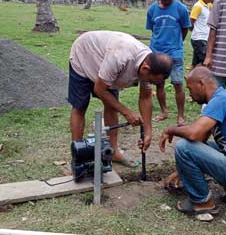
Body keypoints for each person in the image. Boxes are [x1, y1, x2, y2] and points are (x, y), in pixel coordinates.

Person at [159, 66, 226, 215]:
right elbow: (200, 140)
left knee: (183, 146)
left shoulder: (220, 100)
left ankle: (202, 202)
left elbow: (193, 134)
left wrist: (169, 130)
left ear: (201, 84)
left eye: (190, 89)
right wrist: (180, 172)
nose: (190, 95)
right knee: (194, 146)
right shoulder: (221, 99)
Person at [69, 30, 173, 167]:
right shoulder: (121, 56)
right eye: (151, 81)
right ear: (145, 69)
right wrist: (127, 112)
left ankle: (113, 152)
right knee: (80, 106)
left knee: (111, 107)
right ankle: (78, 156)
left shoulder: (149, 65)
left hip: (107, 67)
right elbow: (99, 89)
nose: (151, 84)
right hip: (84, 55)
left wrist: (148, 132)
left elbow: (146, 97)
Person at [146, 0, 191, 126]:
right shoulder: (152, 9)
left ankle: (180, 116)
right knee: (159, 83)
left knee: (178, 84)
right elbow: (153, 29)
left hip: (174, 53)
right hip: (156, 53)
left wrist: (176, 43)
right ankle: (164, 111)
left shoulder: (181, 9)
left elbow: (185, 29)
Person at [189, 0, 216, 69]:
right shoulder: (198, 6)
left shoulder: (209, 5)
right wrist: (196, 31)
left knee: (195, 63)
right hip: (199, 39)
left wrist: (213, 1)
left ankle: (189, 77)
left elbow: (216, 8)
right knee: (206, 62)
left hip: (205, 38)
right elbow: (191, 22)